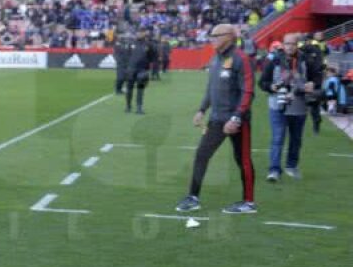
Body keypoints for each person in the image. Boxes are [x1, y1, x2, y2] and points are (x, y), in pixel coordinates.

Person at [176, 23, 257, 215]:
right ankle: (193, 197)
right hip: (217, 119)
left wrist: (237, 118)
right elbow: (211, 89)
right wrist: (201, 110)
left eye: (215, 35)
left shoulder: (241, 58)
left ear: (229, 36)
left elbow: (248, 91)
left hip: (237, 122)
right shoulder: (215, 59)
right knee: (201, 155)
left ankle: (249, 202)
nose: (211, 39)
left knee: (242, 159)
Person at [259, 34, 314, 182]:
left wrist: (312, 85)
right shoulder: (274, 59)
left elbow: (316, 79)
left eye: (293, 44)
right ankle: (274, 170)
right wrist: (271, 86)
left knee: (296, 139)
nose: (290, 46)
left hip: (299, 105)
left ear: (298, 45)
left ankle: (291, 166)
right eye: (287, 43)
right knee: (277, 138)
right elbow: (262, 82)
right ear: (283, 44)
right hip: (278, 104)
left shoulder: (306, 59)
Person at [123, 30, 156, 114]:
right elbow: (126, 56)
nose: (139, 34)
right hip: (131, 70)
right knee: (129, 89)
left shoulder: (148, 45)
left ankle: (139, 107)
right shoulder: (131, 43)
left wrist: (147, 68)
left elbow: (152, 57)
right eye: (138, 33)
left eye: (141, 33)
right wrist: (127, 67)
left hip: (142, 70)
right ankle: (128, 106)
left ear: (144, 34)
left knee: (140, 89)